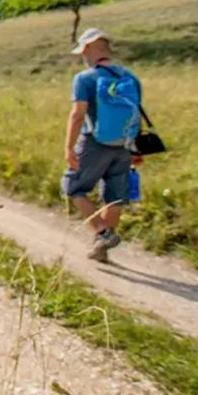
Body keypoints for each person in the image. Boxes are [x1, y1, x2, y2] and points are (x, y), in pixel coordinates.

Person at [62, 28, 143, 263]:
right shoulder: (130, 77)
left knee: (73, 187)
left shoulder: (85, 79)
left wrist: (68, 147)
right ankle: (101, 248)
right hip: (124, 144)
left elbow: (78, 115)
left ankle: (103, 233)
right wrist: (135, 148)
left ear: (88, 49)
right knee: (114, 198)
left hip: (94, 142)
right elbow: (135, 114)